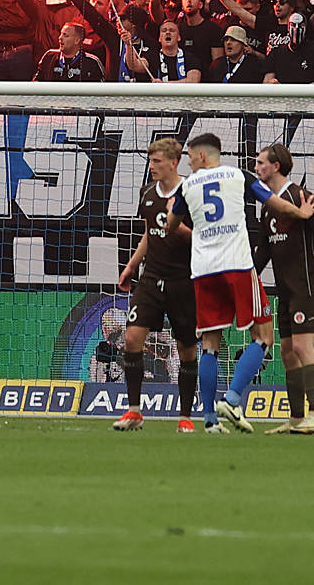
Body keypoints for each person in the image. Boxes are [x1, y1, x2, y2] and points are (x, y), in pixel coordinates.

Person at [170, 131, 314, 433]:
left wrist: (197, 230)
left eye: (189, 156)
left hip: (203, 269)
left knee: (210, 344)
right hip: (237, 265)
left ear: (201, 155)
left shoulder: (187, 186)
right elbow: (274, 202)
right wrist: (300, 212)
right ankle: (233, 396)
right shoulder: (239, 175)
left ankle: (210, 419)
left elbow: (172, 225)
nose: (188, 161)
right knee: (264, 338)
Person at [253, 142, 314, 434]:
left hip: (309, 285)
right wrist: (248, 277)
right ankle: (296, 417)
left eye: (261, 163)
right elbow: (264, 250)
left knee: (304, 347)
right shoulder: (269, 207)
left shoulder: (301, 196)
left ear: (276, 166)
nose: (256, 168)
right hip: (286, 290)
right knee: (288, 352)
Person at [112, 135, 198, 432]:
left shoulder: (192, 192)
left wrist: (178, 227)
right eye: (150, 161)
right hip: (150, 279)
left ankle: (185, 416)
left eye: (157, 161)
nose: (152, 166)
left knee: (186, 350)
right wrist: (132, 265)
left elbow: (204, 238)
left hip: (183, 282)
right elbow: (150, 233)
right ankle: (134, 411)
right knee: (132, 339)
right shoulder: (147, 192)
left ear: (174, 163)